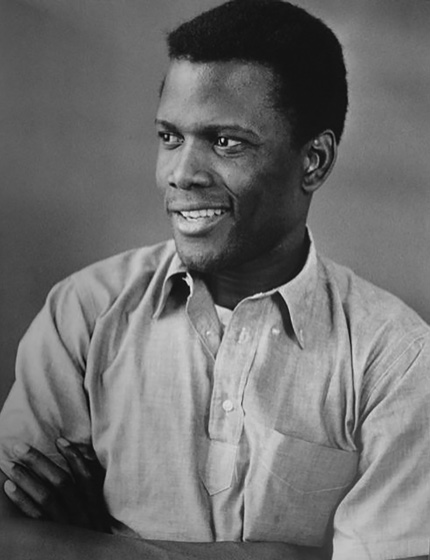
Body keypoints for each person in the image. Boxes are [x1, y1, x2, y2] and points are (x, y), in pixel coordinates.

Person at [0, 1, 429, 559]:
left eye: (227, 142)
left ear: (314, 161)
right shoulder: (85, 311)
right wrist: (281, 555)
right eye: (169, 137)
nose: (180, 174)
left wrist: (94, 546)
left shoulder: (395, 360)